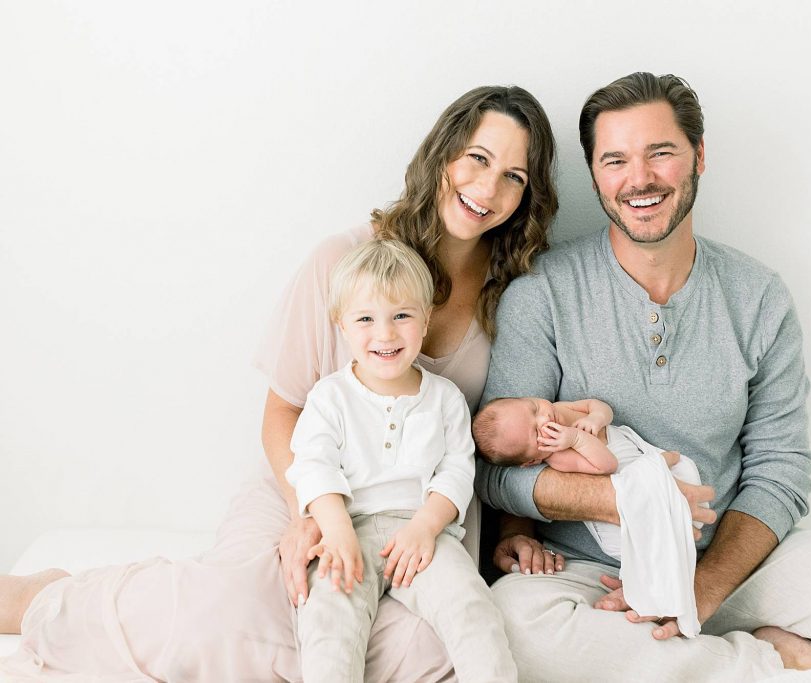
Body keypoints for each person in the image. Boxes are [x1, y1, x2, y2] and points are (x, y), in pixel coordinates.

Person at [475, 72, 811, 683]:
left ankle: (724, 648)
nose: (640, 178)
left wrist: (702, 590)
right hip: (592, 571)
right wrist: (628, 500)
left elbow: (780, 468)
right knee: (514, 626)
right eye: (616, 160)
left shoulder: (757, 296)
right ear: (595, 174)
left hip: (739, 566)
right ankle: (774, 662)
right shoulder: (542, 294)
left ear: (698, 156)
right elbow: (498, 471)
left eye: (661, 152)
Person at [0, 84, 559, 681]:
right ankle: (52, 600)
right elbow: (282, 414)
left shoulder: (517, 294)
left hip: (423, 517)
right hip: (308, 484)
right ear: (444, 154)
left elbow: (508, 432)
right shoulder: (342, 261)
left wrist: (514, 530)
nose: (488, 188)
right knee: (231, 614)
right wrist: (314, 515)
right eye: (477, 158)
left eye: (513, 177)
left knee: (431, 650)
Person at [285, 239, 516, 682]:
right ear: (342, 325)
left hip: (423, 532)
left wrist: (425, 528)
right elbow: (314, 466)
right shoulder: (330, 397)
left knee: (472, 608)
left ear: (426, 319)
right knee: (328, 618)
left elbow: (456, 472)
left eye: (402, 316)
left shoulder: (445, 398)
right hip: (348, 526)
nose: (385, 334)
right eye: (366, 319)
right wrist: (335, 531)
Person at [473, 395, 704, 557]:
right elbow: (607, 465)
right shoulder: (558, 457)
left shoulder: (556, 409)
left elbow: (599, 406)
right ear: (533, 460)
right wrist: (576, 439)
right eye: (536, 432)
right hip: (618, 519)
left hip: (637, 464)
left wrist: (597, 418)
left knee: (685, 468)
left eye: (534, 408)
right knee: (650, 542)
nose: (544, 419)